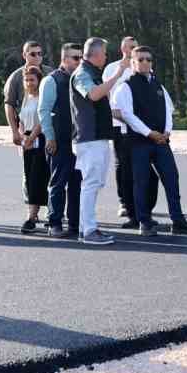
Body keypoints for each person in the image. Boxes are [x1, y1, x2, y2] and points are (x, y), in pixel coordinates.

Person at [114, 44, 187, 236]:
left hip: (161, 142)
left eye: (148, 59)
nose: (145, 62)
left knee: (171, 178)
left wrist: (167, 131)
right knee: (141, 182)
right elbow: (127, 115)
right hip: (139, 143)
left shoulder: (158, 84)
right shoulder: (125, 86)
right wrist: (149, 133)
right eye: (140, 59)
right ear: (133, 62)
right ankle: (144, 222)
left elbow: (168, 109)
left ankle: (178, 221)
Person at [70, 37, 124, 244]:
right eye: (104, 53)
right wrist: (117, 75)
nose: (106, 57)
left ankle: (87, 228)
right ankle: (89, 230)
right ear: (96, 54)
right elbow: (92, 95)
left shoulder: (92, 73)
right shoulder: (83, 73)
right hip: (88, 137)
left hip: (97, 136)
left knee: (94, 183)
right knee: (91, 183)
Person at [103, 35, 156, 225]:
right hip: (119, 126)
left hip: (141, 127)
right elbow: (107, 96)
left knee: (144, 168)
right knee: (123, 166)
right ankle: (125, 202)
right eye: (128, 47)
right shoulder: (111, 68)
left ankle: (144, 207)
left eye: (134, 47)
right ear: (122, 49)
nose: (131, 50)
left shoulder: (143, 67)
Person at [39, 43, 84, 238]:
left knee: (77, 183)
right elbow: (44, 111)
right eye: (76, 58)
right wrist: (50, 137)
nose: (80, 61)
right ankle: (54, 223)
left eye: (82, 57)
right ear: (64, 59)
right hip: (59, 140)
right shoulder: (51, 80)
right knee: (58, 182)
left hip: (79, 141)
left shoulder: (81, 79)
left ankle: (75, 224)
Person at [16, 65, 50, 234]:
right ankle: (32, 215)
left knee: (40, 178)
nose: (29, 83)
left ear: (39, 80)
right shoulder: (25, 98)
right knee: (30, 179)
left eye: (32, 79)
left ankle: (39, 215)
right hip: (27, 142)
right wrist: (22, 136)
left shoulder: (42, 97)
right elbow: (21, 120)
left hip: (40, 139)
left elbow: (43, 119)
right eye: (26, 79)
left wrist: (32, 137)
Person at [3, 40, 50, 149]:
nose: (37, 57)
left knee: (47, 165)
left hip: (47, 128)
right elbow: (9, 104)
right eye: (33, 54)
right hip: (26, 128)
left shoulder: (49, 73)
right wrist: (15, 131)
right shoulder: (16, 77)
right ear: (24, 55)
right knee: (29, 163)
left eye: (40, 54)